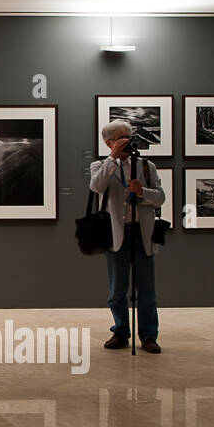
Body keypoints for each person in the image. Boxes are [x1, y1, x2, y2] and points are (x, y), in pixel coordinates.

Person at [89, 120, 166, 353]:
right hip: (115, 234)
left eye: (129, 137)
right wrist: (112, 158)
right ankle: (121, 331)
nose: (128, 142)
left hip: (142, 233)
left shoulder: (146, 167)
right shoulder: (100, 165)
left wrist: (142, 192)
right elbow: (97, 186)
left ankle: (149, 335)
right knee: (117, 289)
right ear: (109, 142)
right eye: (122, 138)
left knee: (147, 288)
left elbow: (160, 198)